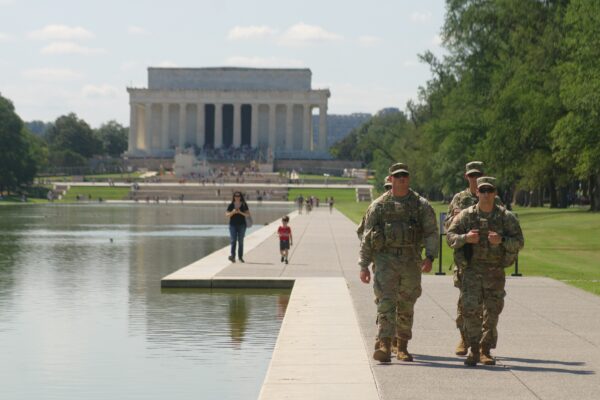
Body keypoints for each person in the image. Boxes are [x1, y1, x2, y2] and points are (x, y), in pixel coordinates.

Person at [358, 163, 439, 363]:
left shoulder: (420, 205)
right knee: (386, 301)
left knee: (406, 303)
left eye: (404, 175)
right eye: (397, 175)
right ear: (390, 179)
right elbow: (367, 236)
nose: (401, 178)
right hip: (385, 260)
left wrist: (430, 256)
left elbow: (431, 232)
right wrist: (364, 265)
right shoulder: (379, 205)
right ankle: (384, 343)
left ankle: (402, 346)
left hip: (411, 260)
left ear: (408, 178)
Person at [446, 176, 524, 366]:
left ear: (495, 193)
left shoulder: (506, 217)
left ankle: (485, 350)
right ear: (477, 193)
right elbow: (450, 237)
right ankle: (473, 349)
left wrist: (502, 240)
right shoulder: (466, 215)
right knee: (471, 311)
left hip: (495, 272)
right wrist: (465, 238)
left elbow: (519, 242)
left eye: (490, 190)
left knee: (492, 312)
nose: (486, 194)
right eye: (483, 190)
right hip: (472, 271)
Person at [444, 161, 504, 356]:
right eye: (471, 175)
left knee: (489, 305)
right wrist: (457, 219)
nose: (475, 178)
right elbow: (448, 229)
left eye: (478, 175)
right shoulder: (459, 199)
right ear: (466, 177)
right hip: (466, 260)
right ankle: (465, 338)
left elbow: (505, 223)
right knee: (466, 302)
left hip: (489, 261)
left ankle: (484, 344)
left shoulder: (496, 200)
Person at [225, 191, 251, 263]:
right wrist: (233, 212)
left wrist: (240, 212)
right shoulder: (231, 205)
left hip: (242, 225)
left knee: (241, 241)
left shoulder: (244, 204)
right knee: (233, 240)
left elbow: (248, 215)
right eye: (236, 196)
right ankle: (233, 256)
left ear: (240, 197)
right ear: (234, 197)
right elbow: (227, 215)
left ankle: (240, 257)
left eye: (238, 196)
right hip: (232, 225)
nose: (237, 198)